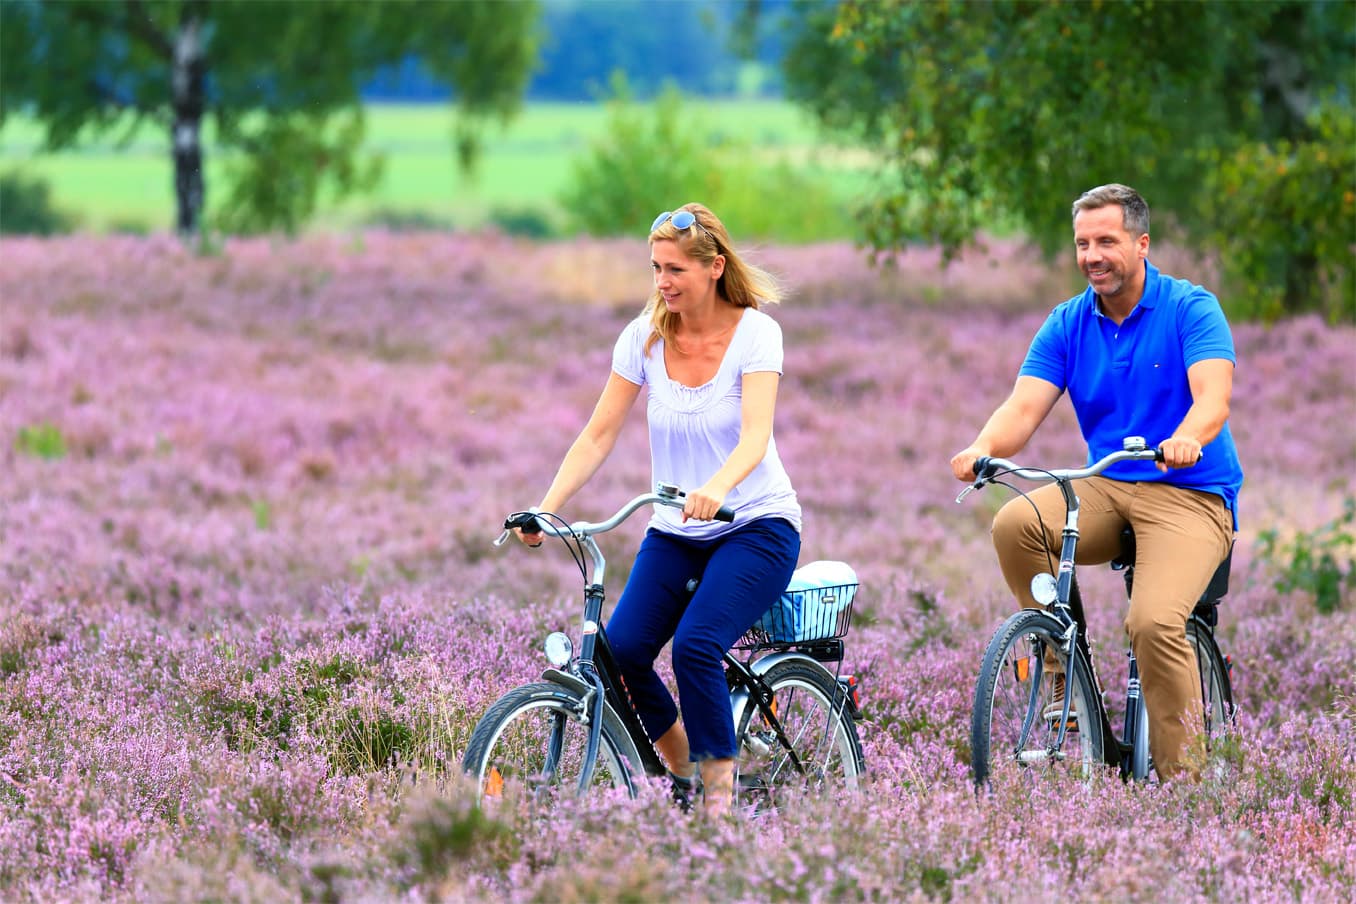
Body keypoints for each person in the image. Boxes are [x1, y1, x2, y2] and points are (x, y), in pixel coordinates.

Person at [514, 202, 802, 813]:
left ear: (715, 268)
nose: (662, 282)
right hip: (675, 528)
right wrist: (545, 508)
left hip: (756, 526)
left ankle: (720, 813)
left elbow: (755, 438)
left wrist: (718, 487)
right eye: (655, 269)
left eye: (675, 269)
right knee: (620, 654)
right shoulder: (643, 337)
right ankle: (684, 774)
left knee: (696, 645)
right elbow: (597, 435)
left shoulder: (756, 334)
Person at [950, 183, 1243, 781]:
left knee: (1152, 622)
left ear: (1141, 243)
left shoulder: (1190, 308)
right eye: (1083, 243)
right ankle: (1066, 684)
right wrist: (983, 446)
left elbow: (1213, 399)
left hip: (1189, 490)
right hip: (1109, 485)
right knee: (1016, 525)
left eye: (1106, 241)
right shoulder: (1067, 322)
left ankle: (1185, 785)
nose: (1092, 255)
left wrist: (1187, 437)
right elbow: (1023, 410)